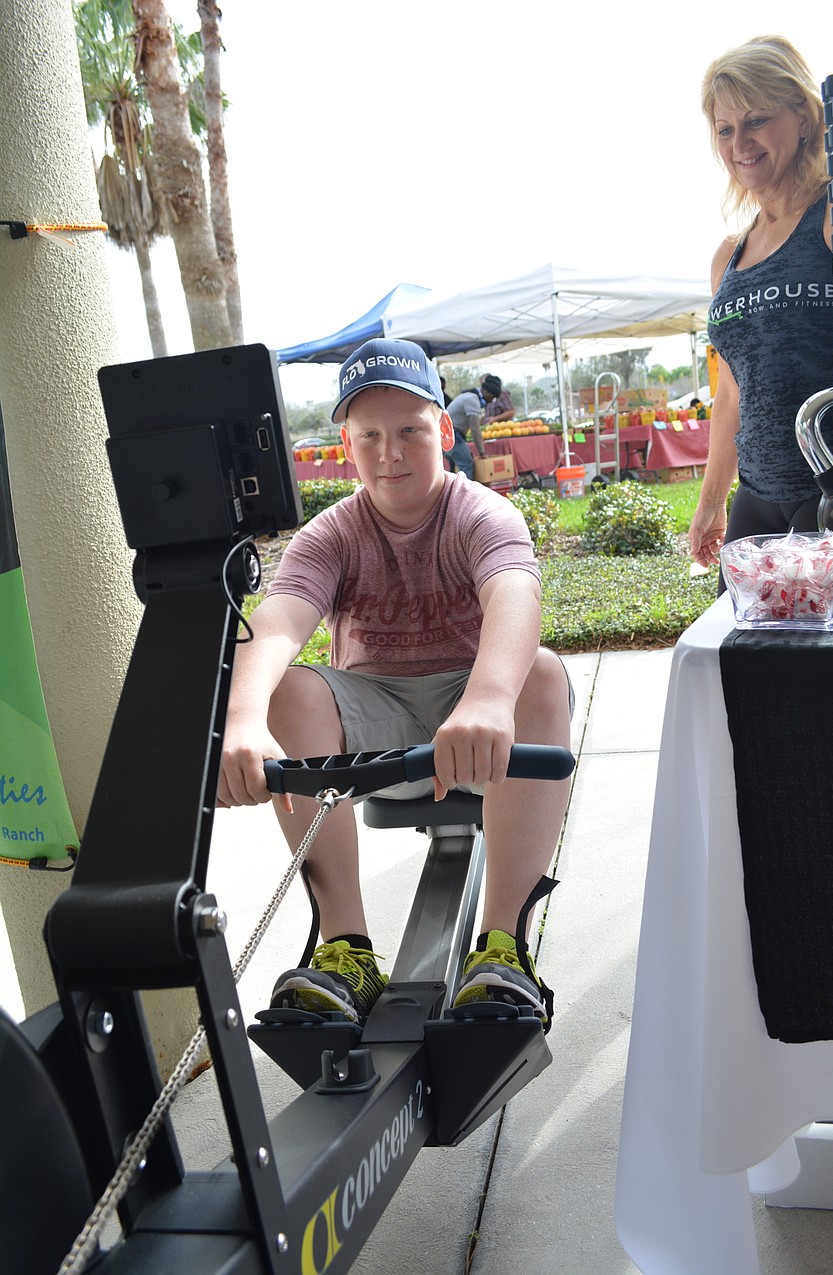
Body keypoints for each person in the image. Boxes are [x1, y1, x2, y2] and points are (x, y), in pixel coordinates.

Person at [217, 337, 572, 1030]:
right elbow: (281, 617)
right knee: (286, 690)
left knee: (541, 672)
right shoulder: (332, 534)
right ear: (347, 444)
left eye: (410, 429)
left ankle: (501, 948)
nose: (390, 452)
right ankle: (345, 947)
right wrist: (242, 717)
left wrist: (491, 697)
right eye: (369, 435)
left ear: (442, 430)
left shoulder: (481, 513)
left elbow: (514, 593)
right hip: (376, 725)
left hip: (477, 724)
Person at [688, 35, 833, 580]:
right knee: (745, 662)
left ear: (803, 117)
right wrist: (711, 501)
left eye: (756, 120)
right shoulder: (728, 256)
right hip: (756, 500)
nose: (739, 143)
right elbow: (731, 391)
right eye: (725, 129)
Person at [447, 385, 486, 478]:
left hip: (447, 435)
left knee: (454, 469)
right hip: (453, 435)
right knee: (466, 465)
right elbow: (475, 428)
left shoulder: (465, 396)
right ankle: (464, 492)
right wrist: (482, 452)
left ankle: (452, 492)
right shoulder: (473, 399)